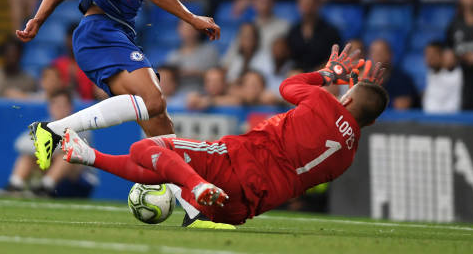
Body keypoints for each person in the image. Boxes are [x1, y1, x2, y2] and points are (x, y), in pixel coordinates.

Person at [15, 0, 226, 229]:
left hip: (104, 33)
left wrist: (39, 18)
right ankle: (53, 130)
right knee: (154, 100)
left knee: (162, 128)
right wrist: (191, 18)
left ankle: (194, 210)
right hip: (103, 31)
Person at [61, 44, 388, 225]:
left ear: (345, 97)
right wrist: (355, 103)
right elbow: (346, 123)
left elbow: (288, 87)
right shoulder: (347, 157)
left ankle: (196, 185)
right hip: (241, 208)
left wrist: (328, 74)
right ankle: (87, 156)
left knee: (145, 148)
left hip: (237, 164)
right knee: (167, 166)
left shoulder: (322, 99)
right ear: (370, 123)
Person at [0, 89, 96, 198]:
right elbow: (20, 145)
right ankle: (15, 185)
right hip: (55, 182)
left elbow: (72, 148)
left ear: (70, 107)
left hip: (78, 182)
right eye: (55, 105)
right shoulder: (44, 126)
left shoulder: (80, 126)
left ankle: (45, 187)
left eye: (63, 105)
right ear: (50, 107)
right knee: (27, 156)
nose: (59, 109)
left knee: (67, 155)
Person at [286, 0, 341, 72]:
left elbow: (335, 60)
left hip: (323, 75)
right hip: (298, 75)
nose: (306, 4)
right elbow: (290, 60)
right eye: (303, 1)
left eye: (310, 1)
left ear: (318, 4)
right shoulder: (293, 31)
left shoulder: (331, 31)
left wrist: (316, 73)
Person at [165, 20, 220, 91]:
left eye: (190, 28)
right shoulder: (173, 55)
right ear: (178, 30)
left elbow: (218, 75)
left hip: (203, 92)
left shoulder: (210, 51)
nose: (187, 31)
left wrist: (195, 73)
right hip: (177, 94)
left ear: (198, 30)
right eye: (184, 28)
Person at [368, 39, 417, 110]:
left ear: (390, 55)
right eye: (373, 52)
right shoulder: (366, 79)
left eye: (381, 52)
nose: (377, 56)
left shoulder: (402, 79)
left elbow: (401, 107)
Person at [51, 23, 94, 101]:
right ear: (66, 39)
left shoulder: (92, 65)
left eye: (77, 39)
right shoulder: (57, 65)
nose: (73, 44)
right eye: (71, 39)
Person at [422, 42, 463, 113]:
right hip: (428, 120)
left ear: (442, 55)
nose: (429, 58)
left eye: (433, 55)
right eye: (426, 55)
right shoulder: (430, 73)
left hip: (450, 120)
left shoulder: (454, 73)